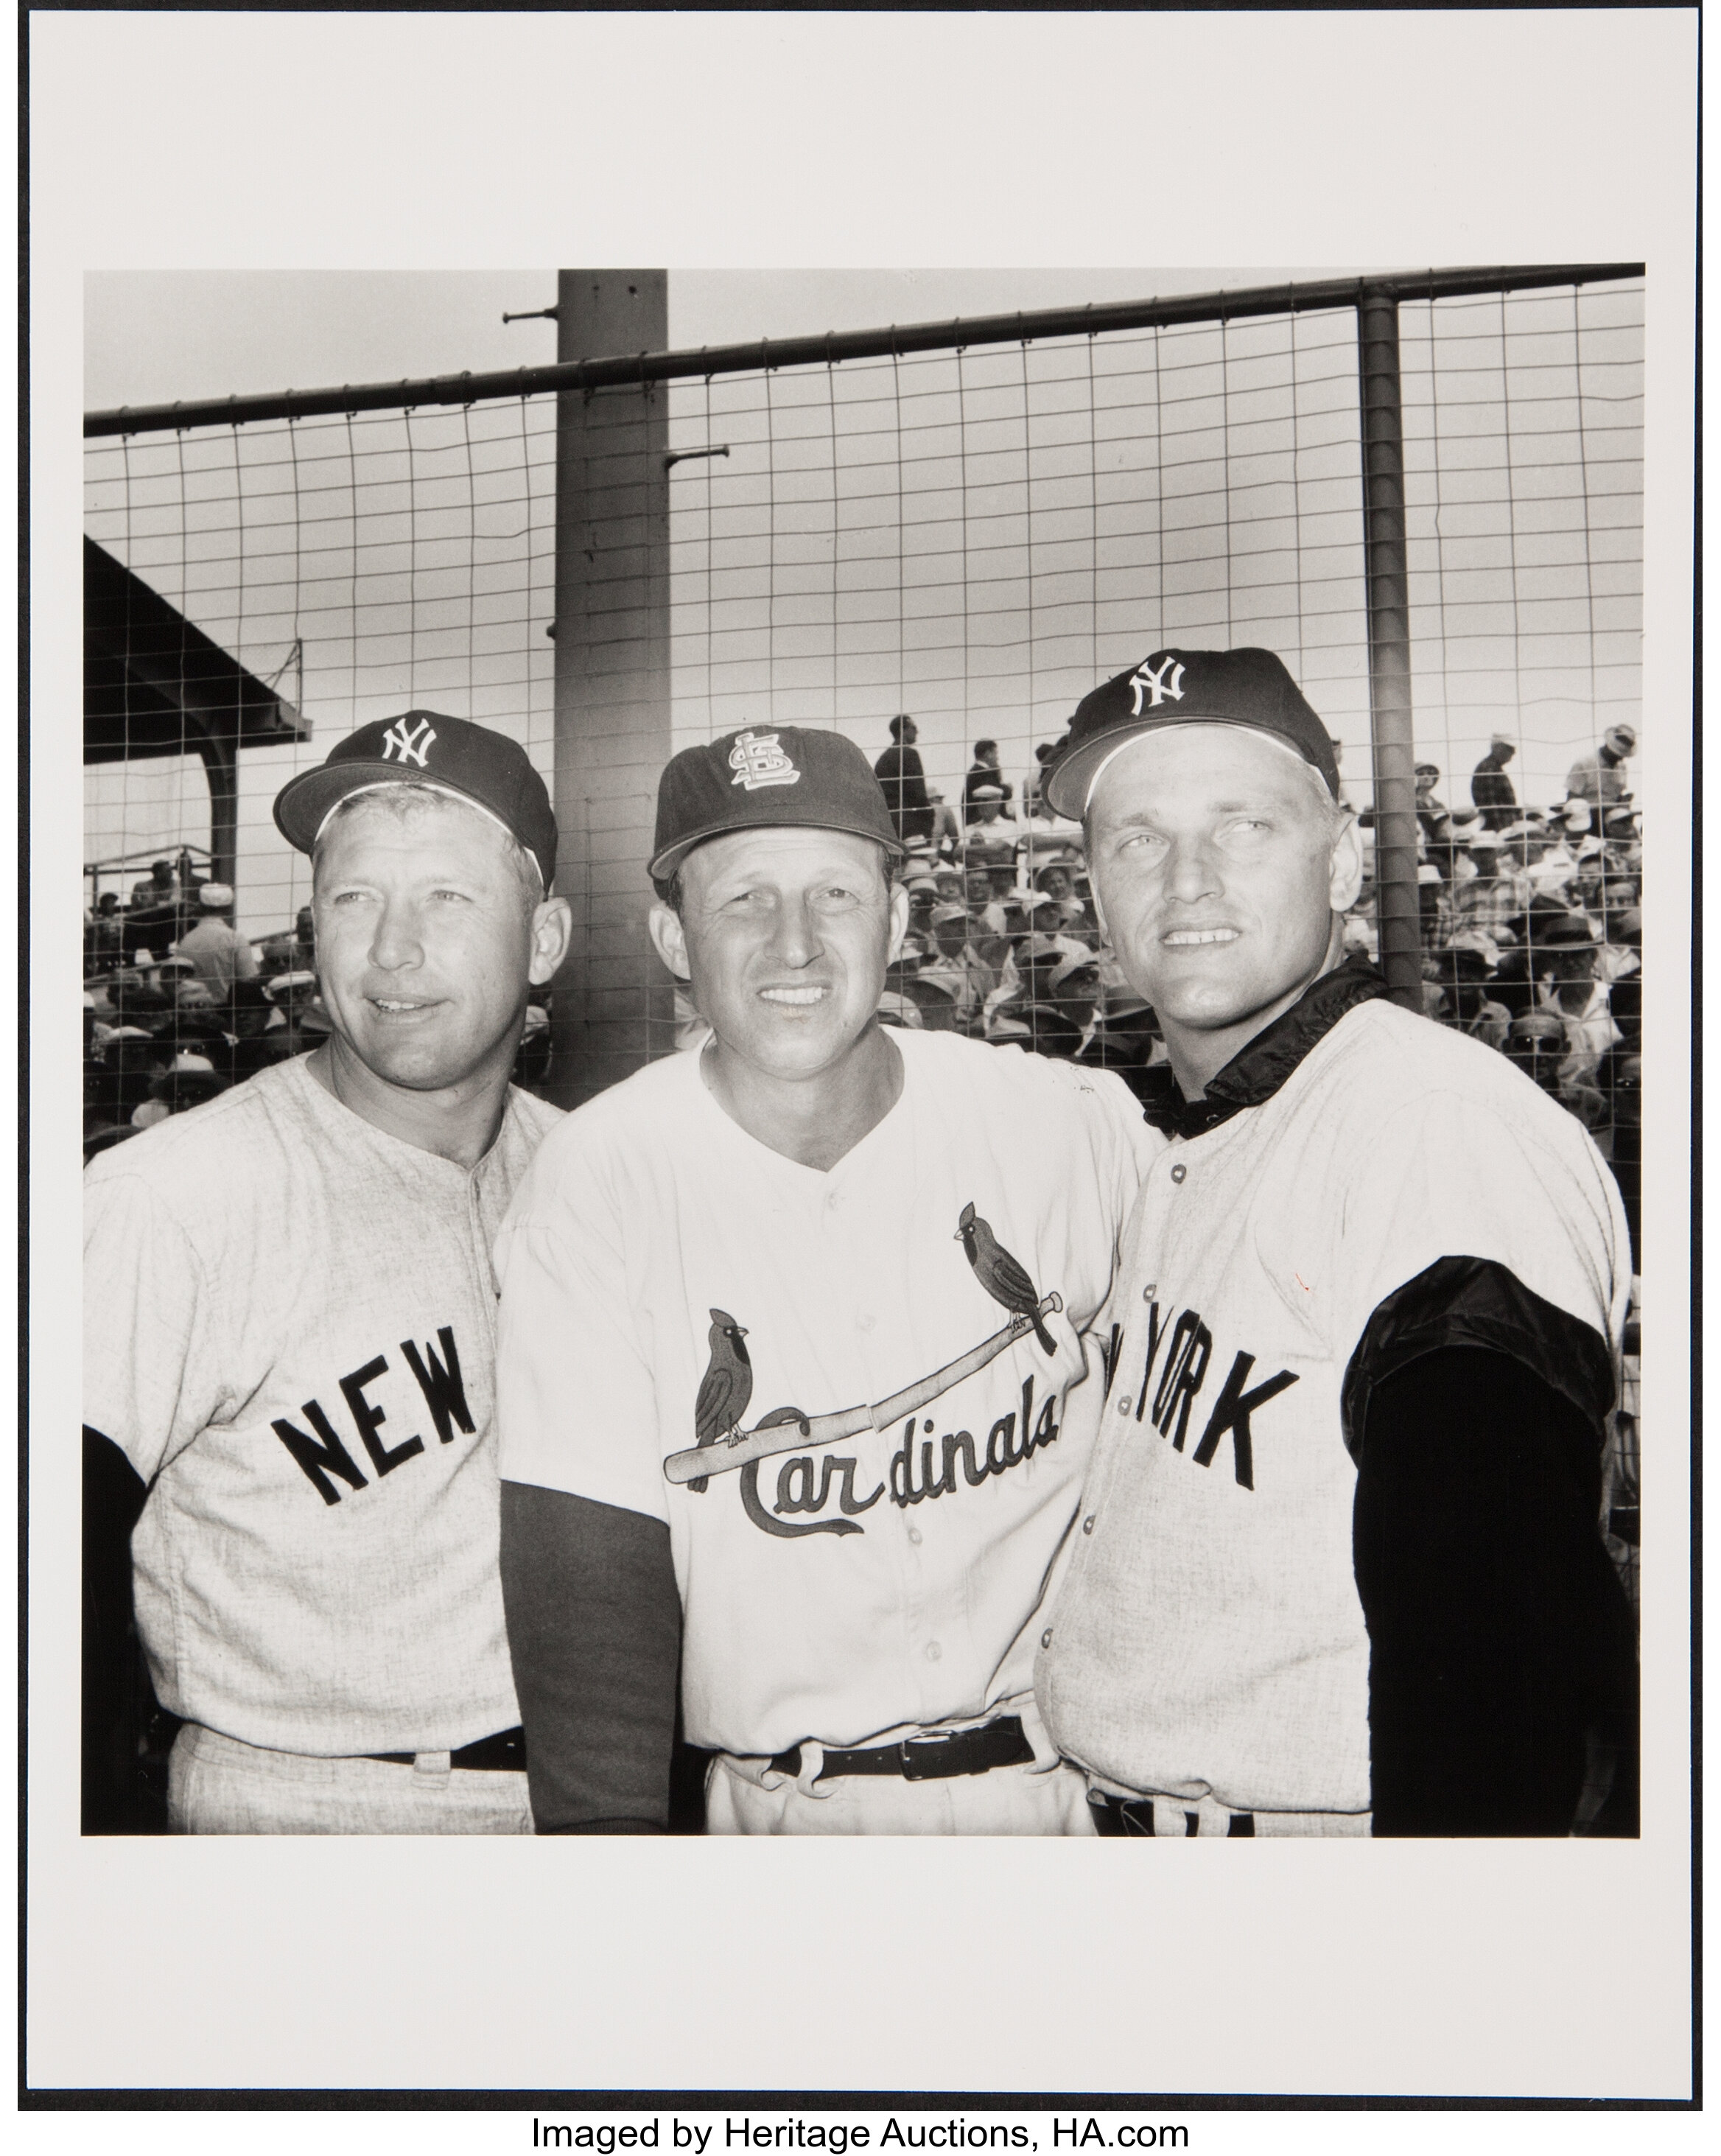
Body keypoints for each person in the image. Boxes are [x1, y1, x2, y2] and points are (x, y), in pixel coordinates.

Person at [493, 723, 1160, 1835]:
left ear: (898, 917)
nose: (792, 944)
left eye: (836, 896)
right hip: (781, 1809)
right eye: (743, 899)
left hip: (1068, 1789)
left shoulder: (1062, 1122)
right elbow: (587, 1591)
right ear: (672, 936)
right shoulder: (601, 1176)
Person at [1033, 645, 1636, 1836]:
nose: (1188, 880)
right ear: (1095, 895)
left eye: (1242, 824)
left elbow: (1499, 1660)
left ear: (1346, 856)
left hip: (1322, 1878)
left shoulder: (1433, 1132)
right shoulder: (1212, 1122)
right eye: (1138, 838)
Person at [83, 712, 571, 1834]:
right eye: (353, 900)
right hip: (294, 1797)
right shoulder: (171, 1197)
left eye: (447, 897)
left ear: (544, 939)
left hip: (581, 1794)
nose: (392, 949)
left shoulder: (595, 1182)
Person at [173, 881, 259, 995]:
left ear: (200, 907)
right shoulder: (235, 938)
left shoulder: (186, 941)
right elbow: (248, 980)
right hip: (227, 1008)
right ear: (230, 908)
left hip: (195, 1007)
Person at [873, 714, 935, 849]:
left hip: (888, 828)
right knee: (918, 863)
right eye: (913, 727)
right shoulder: (909, 754)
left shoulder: (883, 760)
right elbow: (918, 794)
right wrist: (929, 816)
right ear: (903, 730)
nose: (917, 731)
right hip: (911, 826)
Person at [1566, 724, 1637, 808]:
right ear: (1608, 747)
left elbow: (1617, 795)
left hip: (1612, 816)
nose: (1620, 759)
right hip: (1589, 816)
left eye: (1622, 756)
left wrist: (1624, 801)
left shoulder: (1621, 767)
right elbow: (1572, 800)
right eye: (1616, 755)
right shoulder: (1584, 764)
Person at [1471, 735, 1519, 829]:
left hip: (1499, 825)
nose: (1513, 753)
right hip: (1499, 826)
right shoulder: (1490, 768)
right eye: (1509, 749)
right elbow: (1490, 805)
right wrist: (1502, 830)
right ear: (1497, 748)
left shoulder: (1491, 767)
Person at [963, 738, 1014, 822]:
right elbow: (996, 791)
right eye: (995, 753)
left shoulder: (976, 771)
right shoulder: (982, 772)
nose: (997, 758)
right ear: (988, 754)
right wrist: (1007, 788)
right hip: (981, 824)